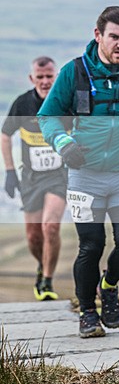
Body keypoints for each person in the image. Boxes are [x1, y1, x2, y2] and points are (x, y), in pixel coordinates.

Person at [38, 6, 119, 338]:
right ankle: (88, 313)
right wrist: (64, 143)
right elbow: (47, 116)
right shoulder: (74, 73)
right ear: (98, 35)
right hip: (85, 174)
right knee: (90, 245)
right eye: (115, 37)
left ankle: (109, 285)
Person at [2, 57, 69, 301]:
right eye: (40, 77)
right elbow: (5, 135)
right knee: (33, 236)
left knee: (50, 227)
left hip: (59, 176)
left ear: (56, 77)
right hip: (30, 177)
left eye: (49, 76)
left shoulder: (67, 103)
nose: (45, 81)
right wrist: (10, 172)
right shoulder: (22, 104)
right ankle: (42, 264)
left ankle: (47, 281)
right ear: (32, 79)